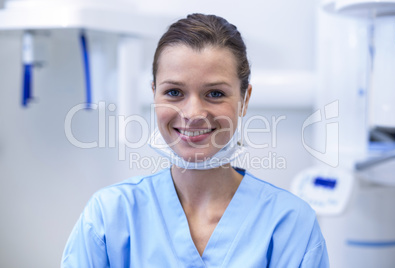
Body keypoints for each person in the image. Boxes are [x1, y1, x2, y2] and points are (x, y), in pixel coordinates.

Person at [61, 13, 329, 267]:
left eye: (214, 94)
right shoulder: (109, 216)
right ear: (154, 93)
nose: (192, 114)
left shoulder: (290, 224)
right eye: (174, 92)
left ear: (244, 99)